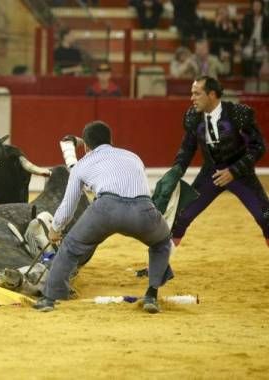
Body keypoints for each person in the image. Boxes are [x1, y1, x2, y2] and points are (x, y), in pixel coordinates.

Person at [33, 121, 174, 314]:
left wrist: (55, 229)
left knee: (70, 248)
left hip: (105, 210)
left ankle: (49, 299)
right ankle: (151, 294)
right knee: (162, 242)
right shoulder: (133, 157)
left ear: (87, 147)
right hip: (143, 209)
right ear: (111, 140)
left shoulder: (82, 165)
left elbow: (68, 206)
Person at [170, 76, 269, 247]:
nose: (192, 98)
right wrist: (175, 172)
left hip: (240, 174)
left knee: (266, 216)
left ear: (212, 94)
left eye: (197, 94)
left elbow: (258, 147)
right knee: (181, 216)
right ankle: (159, 266)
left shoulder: (238, 113)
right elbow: (187, 148)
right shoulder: (193, 117)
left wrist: (233, 171)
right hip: (211, 173)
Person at [242, 0, 269, 77]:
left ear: (261, 7)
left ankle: (258, 77)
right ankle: (248, 77)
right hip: (249, 44)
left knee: (263, 57)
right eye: (255, 5)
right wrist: (253, 23)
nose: (256, 7)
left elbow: (267, 35)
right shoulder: (247, 17)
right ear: (252, 6)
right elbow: (245, 32)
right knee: (246, 56)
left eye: (258, 6)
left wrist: (265, 45)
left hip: (262, 45)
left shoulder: (266, 18)